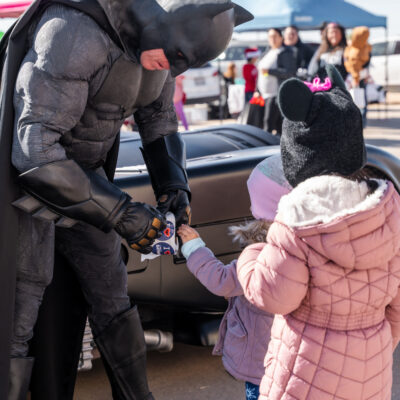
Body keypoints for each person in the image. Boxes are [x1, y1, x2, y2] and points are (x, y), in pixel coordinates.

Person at [0, 0, 253, 399]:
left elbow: (159, 121)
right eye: (175, 55)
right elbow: (34, 149)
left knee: (112, 294)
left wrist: (174, 186)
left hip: (86, 180)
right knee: (19, 311)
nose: (173, 67)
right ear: (161, 24)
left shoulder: (157, 49)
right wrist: (120, 212)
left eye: (183, 62)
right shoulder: (73, 32)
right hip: (25, 188)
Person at [236, 64, 400, 400]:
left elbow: (273, 295)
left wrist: (252, 255)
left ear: (296, 159)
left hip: (305, 376)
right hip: (371, 374)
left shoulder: (295, 222)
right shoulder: (388, 212)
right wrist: (370, 345)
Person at [178, 154, 291, 400]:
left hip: (262, 365)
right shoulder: (306, 249)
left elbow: (222, 281)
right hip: (294, 361)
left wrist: (194, 248)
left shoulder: (262, 256)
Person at [258, 27, 296, 134]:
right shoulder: (267, 52)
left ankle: (265, 146)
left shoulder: (285, 52)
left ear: (281, 38)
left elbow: (289, 72)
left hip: (275, 94)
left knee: (269, 122)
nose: (272, 39)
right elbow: (260, 73)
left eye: (275, 36)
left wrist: (270, 71)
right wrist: (257, 90)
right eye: (270, 37)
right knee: (267, 122)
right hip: (264, 95)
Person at [344, 26, 372, 125]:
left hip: (355, 78)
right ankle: (361, 121)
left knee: (357, 100)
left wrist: (355, 78)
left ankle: (359, 122)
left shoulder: (355, 50)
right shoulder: (365, 47)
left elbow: (355, 66)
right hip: (361, 76)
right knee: (361, 99)